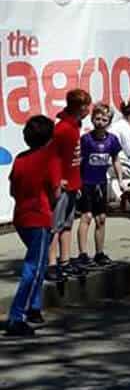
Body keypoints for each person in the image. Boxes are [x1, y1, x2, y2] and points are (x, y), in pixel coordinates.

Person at [6, 116, 61, 337]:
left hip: (21, 216)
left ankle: (34, 307)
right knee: (34, 267)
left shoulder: (20, 159)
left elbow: (12, 190)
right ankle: (16, 316)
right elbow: (56, 192)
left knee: (37, 262)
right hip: (39, 217)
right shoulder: (51, 158)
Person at [47, 88, 92, 282]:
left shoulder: (75, 125)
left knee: (67, 224)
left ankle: (65, 261)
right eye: (86, 106)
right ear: (80, 107)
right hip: (63, 184)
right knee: (55, 226)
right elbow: (53, 156)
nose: (88, 109)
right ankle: (51, 263)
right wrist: (57, 181)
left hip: (73, 182)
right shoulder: (63, 128)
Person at [76, 104, 122, 268]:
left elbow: (116, 160)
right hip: (86, 183)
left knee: (101, 219)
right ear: (92, 119)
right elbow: (78, 161)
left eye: (104, 119)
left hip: (101, 183)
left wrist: (120, 179)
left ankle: (99, 253)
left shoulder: (112, 140)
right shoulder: (86, 139)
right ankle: (82, 254)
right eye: (97, 119)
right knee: (86, 217)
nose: (100, 122)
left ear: (109, 121)